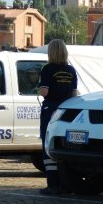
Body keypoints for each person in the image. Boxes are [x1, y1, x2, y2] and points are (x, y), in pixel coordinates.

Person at [38, 39, 78, 195]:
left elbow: (44, 92)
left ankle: (53, 184)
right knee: (63, 145)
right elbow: (74, 93)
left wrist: (39, 87)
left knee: (48, 144)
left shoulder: (47, 69)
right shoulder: (71, 70)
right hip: (66, 111)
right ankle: (65, 183)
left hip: (50, 109)